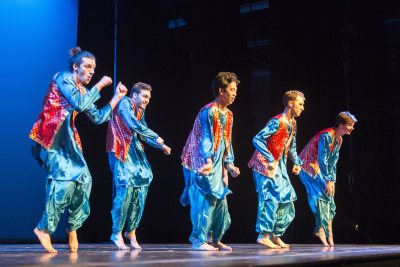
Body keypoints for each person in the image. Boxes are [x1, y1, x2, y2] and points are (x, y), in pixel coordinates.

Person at [29, 47, 128, 253]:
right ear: (76, 66)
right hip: (51, 137)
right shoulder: (63, 77)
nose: (92, 72)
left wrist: (117, 97)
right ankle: (43, 229)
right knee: (62, 183)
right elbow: (80, 104)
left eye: (94, 68)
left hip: (68, 143)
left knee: (85, 180)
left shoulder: (83, 91)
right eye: (88, 67)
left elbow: (98, 117)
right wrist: (100, 85)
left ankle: (72, 227)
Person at [107, 82, 171, 250]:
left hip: (134, 151)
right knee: (125, 190)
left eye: (149, 97)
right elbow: (134, 125)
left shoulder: (140, 110)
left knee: (141, 189)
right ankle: (116, 232)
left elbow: (143, 131)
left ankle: (132, 231)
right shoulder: (124, 103)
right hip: (120, 149)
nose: (147, 100)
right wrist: (156, 137)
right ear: (134, 95)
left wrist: (160, 145)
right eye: (144, 96)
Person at [180, 72, 240, 251]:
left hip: (215, 162)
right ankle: (199, 239)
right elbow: (206, 138)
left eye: (235, 90)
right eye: (232, 89)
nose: (235, 93)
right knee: (205, 200)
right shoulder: (209, 111)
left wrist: (229, 164)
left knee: (221, 202)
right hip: (199, 160)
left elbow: (227, 140)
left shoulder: (228, 114)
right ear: (221, 91)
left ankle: (214, 239)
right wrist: (207, 161)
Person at [248, 90, 305, 248]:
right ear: (291, 103)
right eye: (300, 104)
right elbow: (258, 139)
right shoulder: (277, 121)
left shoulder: (293, 123)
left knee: (288, 200)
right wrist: (270, 158)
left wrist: (297, 162)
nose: (303, 108)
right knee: (270, 198)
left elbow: (291, 146)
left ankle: (275, 234)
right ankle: (263, 234)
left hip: (279, 166)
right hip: (265, 164)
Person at [298, 111, 357, 246]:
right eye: (350, 125)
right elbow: (322, 159)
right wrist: (328, 180)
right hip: (308, 166)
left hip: (320, 169)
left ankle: (326, 231)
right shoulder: (327, 136)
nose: (352, 128)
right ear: (341, 125)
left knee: (329, 198)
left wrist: (333, 181)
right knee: (321, 197)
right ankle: (322, 230)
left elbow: (332, 162)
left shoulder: (339, 139)